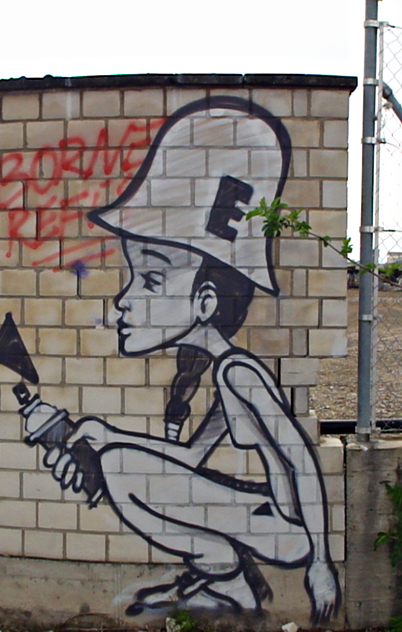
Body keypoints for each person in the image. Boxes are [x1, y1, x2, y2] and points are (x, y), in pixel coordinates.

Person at [22, 97, 340, 622]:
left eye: (149, 279)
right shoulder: (226, 372)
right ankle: (227, 580)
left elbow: (300, 459)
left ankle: (225, 576)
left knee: (119, 466)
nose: (123, 301)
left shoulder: (238, 372)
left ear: (205, 301)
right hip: (268, 520)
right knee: (117, 456)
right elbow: (190, 458)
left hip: (287, 532)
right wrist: (107, 432)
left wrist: (322, 563)